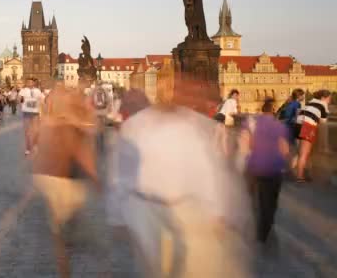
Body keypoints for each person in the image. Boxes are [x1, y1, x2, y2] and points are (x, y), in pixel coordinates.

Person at [107, 83, 252, 278]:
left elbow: (206, 169)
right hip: (147, 211)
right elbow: (121, 173)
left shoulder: (192, 124)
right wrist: (117, 216)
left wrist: (218, 212)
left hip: (184, 212)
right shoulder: (136, 125)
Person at [31, 86, 99, 278]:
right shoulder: (66, 122)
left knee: (60, 228)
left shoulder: (50, 121)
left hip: (53, 178)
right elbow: (81, 151)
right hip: (63, 180)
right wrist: (95, 176)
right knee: (66, 225)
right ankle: (67, 260)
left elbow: (34, 142)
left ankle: (65, 259)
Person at [240, 99, 290, 244]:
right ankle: (264, 231)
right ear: (274, 110)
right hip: (274, 169)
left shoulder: (251, 123)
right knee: (270, 203)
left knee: (254, 199)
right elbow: (285, 149)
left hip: (254, 166)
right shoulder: (281, 126)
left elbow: (248, 144)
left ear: (262, 110)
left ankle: (253, 225)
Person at [294, 90, 331, 183]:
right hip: (307, 126)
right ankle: (300, 177)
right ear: (323, 98)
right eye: (329, 98)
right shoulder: (323, 104)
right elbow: (323, 123)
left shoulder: (310, 102)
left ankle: (303, 174)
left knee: (302, 153)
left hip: (298, 125)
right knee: (304, 154)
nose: (329, 100)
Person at [19, 78, 44, 156]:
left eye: (31, 82)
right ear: (26, 83)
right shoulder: (23, 90)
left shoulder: (38, 91)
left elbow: (41, 101)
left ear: (34, 83)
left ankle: (35, 145)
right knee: (27, 132)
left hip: (35, 112)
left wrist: (41, 112)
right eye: (28, 82)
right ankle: (28, 148)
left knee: (36, 131)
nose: (29, 83)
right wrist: (21, 101)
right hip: (26, 112)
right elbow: (19, 99)